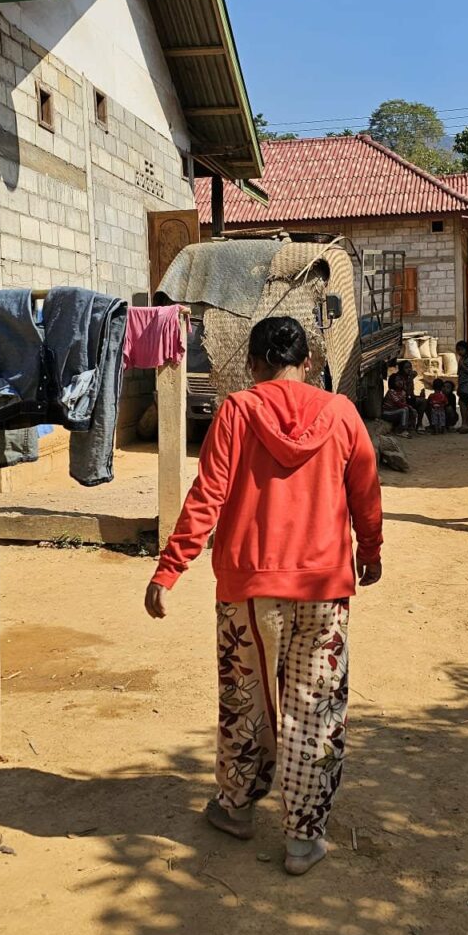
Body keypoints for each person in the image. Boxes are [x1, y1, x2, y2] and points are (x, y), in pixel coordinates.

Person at [145, 316, 383, 876]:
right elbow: (366, 489)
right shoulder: (342, 413)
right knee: (315, 709)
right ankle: (304, 837)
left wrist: (168, 569)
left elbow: (209, 494)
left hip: (249, 591)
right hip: (324, 586)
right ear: (308, 362)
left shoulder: (237, 411)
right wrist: (369, 551)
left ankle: (235, 808)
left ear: (253, 363)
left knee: (246, 704)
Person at [455, 341, 468, 432]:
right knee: (465, 405)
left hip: (467, 386)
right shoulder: (462, 359)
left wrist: (462, 366)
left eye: (461, 350)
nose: (459, 352)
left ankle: (465, 424)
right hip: (463, 385)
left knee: (463, 404)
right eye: (458, 350)